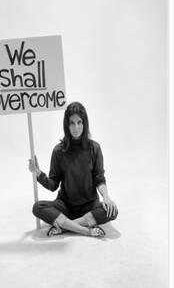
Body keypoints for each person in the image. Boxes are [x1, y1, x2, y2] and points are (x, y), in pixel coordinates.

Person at [29, 101, 118, 237]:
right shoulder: (59, 151)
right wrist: (38, 174)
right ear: (67, 125)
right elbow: (53, 185)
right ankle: (86, 230)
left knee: (112, 210)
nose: (76, 127)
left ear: (85, 123)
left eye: (79, 122)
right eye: (72, 123)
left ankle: (65, 227)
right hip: (65, 206)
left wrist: (106, 197)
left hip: (89, 206)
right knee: (38, 207)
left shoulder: (94, 148)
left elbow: (99, 178)